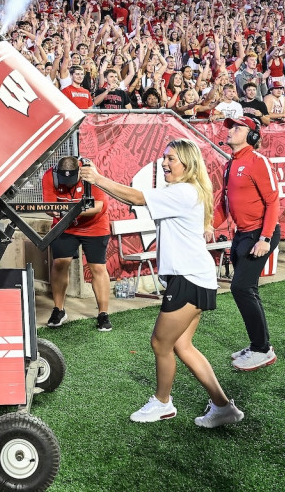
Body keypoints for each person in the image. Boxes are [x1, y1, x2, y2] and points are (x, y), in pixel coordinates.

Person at [80, 141, 244, 427]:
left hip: (188, 278)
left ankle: (163, 403)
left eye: (171, 158)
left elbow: (137, 198)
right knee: (182, 345)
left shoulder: (182, 191)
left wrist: (97, 179)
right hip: (195, 277)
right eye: (164, 157)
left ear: (187, 164)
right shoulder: (185, 191)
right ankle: (223, 406)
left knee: (160, 343)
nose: (164, 163)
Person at [213, 117, 281, 372]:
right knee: (247, 289)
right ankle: (259, 345)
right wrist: (211, 224)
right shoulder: (230, 164)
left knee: (241, 288)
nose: (231, 131)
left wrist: (264, 238)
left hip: (260, 235)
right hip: (242, 234)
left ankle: (262, 350)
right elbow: (226, 203)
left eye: (238, 128)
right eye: (231, 127)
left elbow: (273, 201)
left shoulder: (257, 161)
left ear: (251, 136)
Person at [42, 157, 113, 331]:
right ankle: (59, 309)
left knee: (97, 268)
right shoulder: (49, 176)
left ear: (80, 172)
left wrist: (70, 212)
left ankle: (103, 314)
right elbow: (48, 205)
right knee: (60, 263)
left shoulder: (90, 172)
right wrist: (59, 213)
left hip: (94, 226)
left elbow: (98, 206)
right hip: (64, 225)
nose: (67, 185)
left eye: (71, 181)